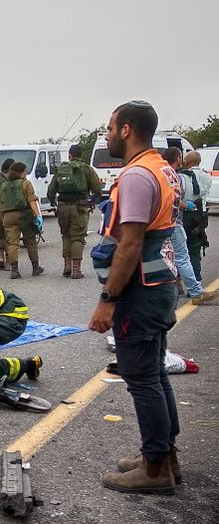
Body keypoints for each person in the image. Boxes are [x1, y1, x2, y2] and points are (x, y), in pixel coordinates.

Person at [89, 100, 180, 495]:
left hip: (140, 290)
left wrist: (108, 298)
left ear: (126, 130)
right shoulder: (162, 167)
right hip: (159, 285)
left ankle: (155, 470)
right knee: (155, 373)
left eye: (110, 128)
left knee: (141, 378)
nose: (108, 135)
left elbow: (130, 243)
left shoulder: (137, 176)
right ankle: (164, 457)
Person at [162, 148, 214, 304]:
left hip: (174, 219)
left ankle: (176, 286)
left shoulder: (176, 176)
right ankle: (195, 290)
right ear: (178, 158)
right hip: (187, 217)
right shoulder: (203, 176)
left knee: (170, 254)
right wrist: (187, 205)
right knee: (189, 253)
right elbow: (174, 200)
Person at [48, 144, 101, 279]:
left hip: (63, 207)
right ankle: (76, 270)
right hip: (79, 207)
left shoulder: (61, 169)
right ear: (81, 155)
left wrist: (54, 203)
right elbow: (97, 190)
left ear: (69, 155)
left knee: (66, 235)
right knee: (77, 237)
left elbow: (51, 191)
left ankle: (67, 265)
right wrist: (91, 203)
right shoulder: (86, 169)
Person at [0, 161, 44, 279]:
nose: (26, 173)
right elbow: (32, 201)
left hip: (8, 216)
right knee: (30, 241)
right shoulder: (26, 184)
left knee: (12, 243)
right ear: (21, 172)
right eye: (25, 171)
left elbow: (1, 202)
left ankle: (14, 270)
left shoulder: (4, 185)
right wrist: (38, 216)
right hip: (24, 215)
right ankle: (35, 267)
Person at [179, 151, 212, 282]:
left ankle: (180, 281)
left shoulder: (182, 177)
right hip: (200, 217)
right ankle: (196, 280)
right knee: (195, 250)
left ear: (188, 161)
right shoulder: (206, 176)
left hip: (186, 215)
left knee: (181, 250)